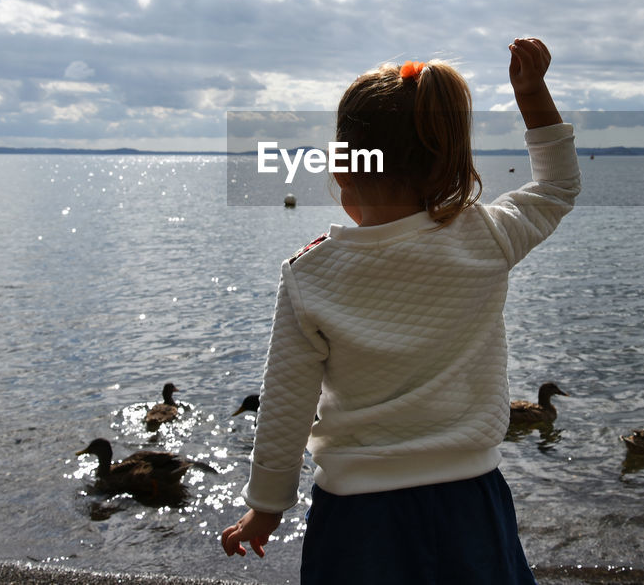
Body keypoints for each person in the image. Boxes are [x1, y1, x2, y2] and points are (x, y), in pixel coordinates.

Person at [220, 37, 581, 583]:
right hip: (470, 502)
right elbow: (556, 187)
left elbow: (286, 402)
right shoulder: (485, 235)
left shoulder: (310, 273)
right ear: (448, 166)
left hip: (359, 516)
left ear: (342, 169)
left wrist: (267, 508)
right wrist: (531, 93)